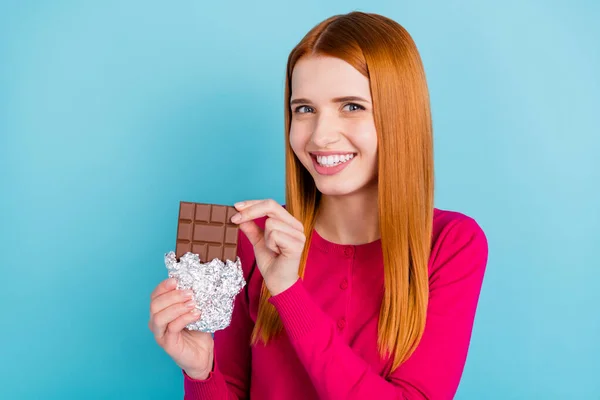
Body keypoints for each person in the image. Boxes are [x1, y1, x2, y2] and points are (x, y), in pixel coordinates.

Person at [148, 11, 488, 400]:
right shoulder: (254, 241)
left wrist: (288, 290)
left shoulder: (451, 244)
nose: (321, 136)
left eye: (352, 106)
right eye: (304, 109)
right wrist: (202, 372)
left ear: (400, 116)